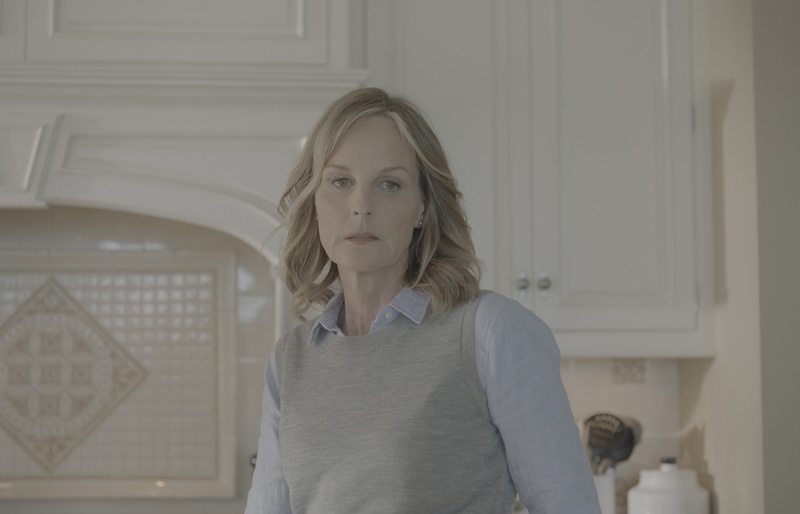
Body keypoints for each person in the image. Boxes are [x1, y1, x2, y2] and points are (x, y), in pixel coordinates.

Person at [245, 87, 600, 513]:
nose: (361, 206)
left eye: (390, 184)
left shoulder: (490, 332)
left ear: (422, 206)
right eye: (341, 181)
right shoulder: (289, 362)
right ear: (313, 200)